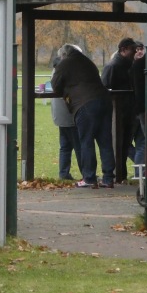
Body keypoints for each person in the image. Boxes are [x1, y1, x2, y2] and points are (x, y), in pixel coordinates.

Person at [51, 43, 115, 188]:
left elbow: (55, 85)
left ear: (64, 55)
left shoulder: (65, 63)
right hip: (105, 101)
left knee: (86, 141)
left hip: (85, 105)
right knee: (105, 141)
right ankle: (108, 178)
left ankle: (89, 178)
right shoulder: (88, 61)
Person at [101, 37, 138, 180]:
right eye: (132, 51)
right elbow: (105, 88)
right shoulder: (113, 66)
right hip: (119, 112)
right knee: (119, 143)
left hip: (128, 111)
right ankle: (116, 174)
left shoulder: (129, 65)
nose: (134, 53)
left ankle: (120, 174)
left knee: (125, 144)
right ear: (123, 50)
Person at [51, 55, 82, 180]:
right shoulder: (65, 76)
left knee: (65, 147)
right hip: (69, 117)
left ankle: (63, 173)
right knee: (78, 146)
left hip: (60, 118)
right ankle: (86, 172)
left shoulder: (54, 75)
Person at [130, 43, 147, 176]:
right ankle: (140, 172)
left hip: (139, 109)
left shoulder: (136, 65)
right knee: (143, 142)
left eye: (142, 49)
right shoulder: (138, 65)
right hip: (139, 109)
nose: (140, 52)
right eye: (137, 49)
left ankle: (140, 173)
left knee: (143, 142)